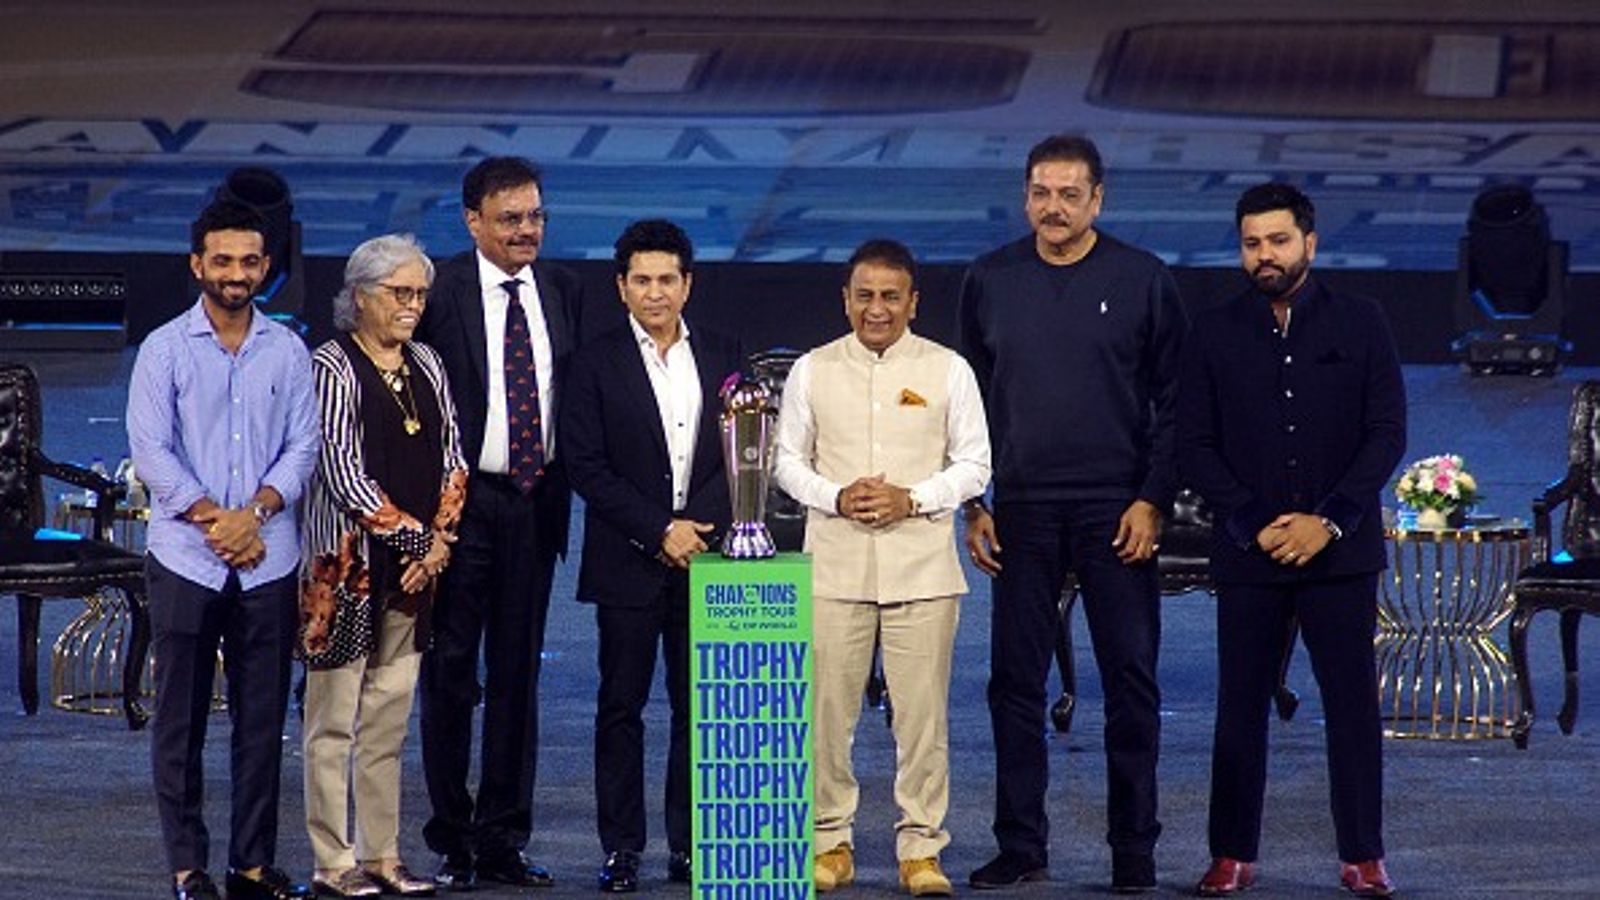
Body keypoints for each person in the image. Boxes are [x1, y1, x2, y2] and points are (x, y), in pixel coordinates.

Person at [958, 134, 1186, 893]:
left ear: (1097, 199)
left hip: (1115, 511)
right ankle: (1021, 847)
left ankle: (1134, 855)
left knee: (1131, 681)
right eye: (1040, 193)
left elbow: (1177, 404)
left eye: (1068, 194)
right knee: (1013, 684)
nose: (1052, 208)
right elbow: (968, 408)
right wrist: (973, 504)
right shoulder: (990, 279)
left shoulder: (1143, 279)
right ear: (1025, 196)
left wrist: (1152, 498)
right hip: (1020, 509)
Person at [1177, 183, 1405, 898]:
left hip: (1340, 554)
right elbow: (1195, 443)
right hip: (1250, 553)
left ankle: (1363, 854)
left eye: (1277, 241)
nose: (1264, 256)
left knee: (1351, 707)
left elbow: (1385, 434)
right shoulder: (1212, 331)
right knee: (1239, 707)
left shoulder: (1362, 321)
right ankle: (1231, 853)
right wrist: (1250, 522)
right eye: (1251, 243)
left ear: (1310, 242)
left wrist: (1328, 519)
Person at [775, 239, 991, 897]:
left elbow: (975, 464)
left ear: (913, 302)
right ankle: (828, 842)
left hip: (922, 571)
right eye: (864, 295)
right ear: (845, 299)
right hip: (833, 569)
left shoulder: (949, 368)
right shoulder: (811, 370)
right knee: (824, 717)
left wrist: (912, 498)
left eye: (890, 296)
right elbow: (785, 463)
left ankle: (921, 850)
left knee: (923, 722)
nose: (876, 309)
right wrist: (836, 496)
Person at [127, 198, 318, 900]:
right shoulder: (164, 350)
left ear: (266, 267)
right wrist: (219, 520)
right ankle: (188, 869)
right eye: (222, 260)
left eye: (248, 262)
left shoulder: (288, 349)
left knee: (261, 724)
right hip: (186, 557)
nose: (235, 274)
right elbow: (152, 452)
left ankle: (251, 866)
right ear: (197, 264)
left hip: (269, 557)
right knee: (178, 724)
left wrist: (258, 512)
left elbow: (305, 444)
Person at [413, 156, 584, 891]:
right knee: (450, 672)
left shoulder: (562, 290)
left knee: (517, 674)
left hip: (533, 503)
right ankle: (453, 837)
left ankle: (504, 839)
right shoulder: (437, 292)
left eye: (536, 216)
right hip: (460, 509)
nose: (526, 231)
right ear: (472, 220)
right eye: (510, 218)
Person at [561, 219, 743, 893]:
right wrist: (658, 528)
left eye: (668, 279)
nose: (656, 292)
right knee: (622, 708)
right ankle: (622, 848)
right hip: (628, 561)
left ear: (687, 284)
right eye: (642, 280)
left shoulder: (725, 352)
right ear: (621, 287)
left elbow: (745, 451)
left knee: (697, 706)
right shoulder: (593, 361)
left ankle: (691, 843)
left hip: (704, 557)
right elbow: (586, 463)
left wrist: (697, 528)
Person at [298, 234, 469, 898]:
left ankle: (382, 854)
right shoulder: (331, 365)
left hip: (413, 575)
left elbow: (454, 452)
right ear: (360, 296)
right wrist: (415, 539)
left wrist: (439, 541)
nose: (413, 307)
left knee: (388, 721)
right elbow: (341, 471)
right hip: (347, 575)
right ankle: (332, 860)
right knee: (334, 721)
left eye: (420, 294)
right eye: (400, 293)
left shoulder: (426, 361)